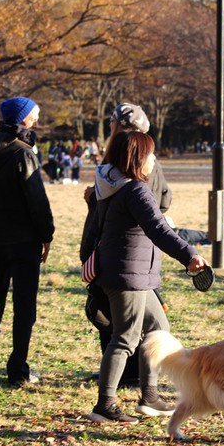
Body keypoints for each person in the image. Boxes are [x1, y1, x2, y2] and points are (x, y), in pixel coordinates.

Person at [81, 131, 209, 423]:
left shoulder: (109, 185)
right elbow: (159, 229)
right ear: (138, 158)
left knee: (157, 330)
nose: (154, 160)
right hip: (128, 275)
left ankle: (149, 396)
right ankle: (105, 405)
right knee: (125, 338)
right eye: (151, 154)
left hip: (130, 272)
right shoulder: (136, 191)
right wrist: (188, 255)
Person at [82, 103, 173, 389]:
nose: (111, 128)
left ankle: (142, 387)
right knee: (123, 330)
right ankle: (113, 396)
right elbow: (159, 209)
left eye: (113, 123)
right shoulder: (124, 173)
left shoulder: (124, 167)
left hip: (129, 253)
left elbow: (156, 215)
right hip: (127, 259)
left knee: (140, 327)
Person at [0, 96, 55, 386]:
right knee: (24, 307)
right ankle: (18, 369)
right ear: (23, 118)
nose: (38, 119)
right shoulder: (23, 153)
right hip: (25, 240)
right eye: (35, 114)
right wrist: (47, 235)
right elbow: (37, 201)